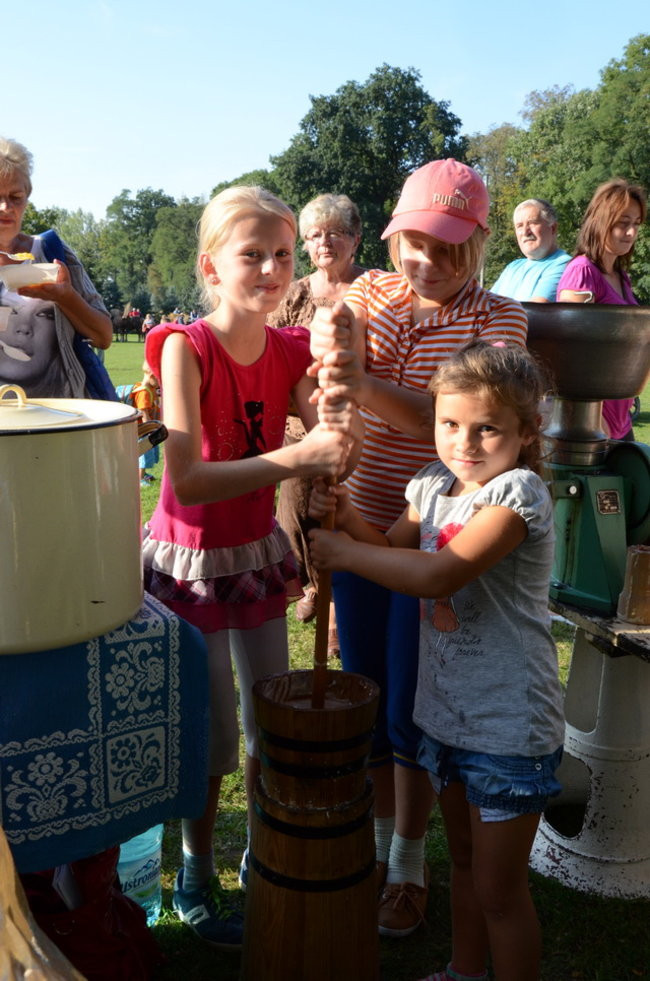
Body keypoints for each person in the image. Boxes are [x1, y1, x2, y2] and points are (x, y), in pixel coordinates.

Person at [308, 158, 528, 938]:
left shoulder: (500, 321)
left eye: (447, 249)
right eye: (414, 244)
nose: (427, 263)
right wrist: (330, 350)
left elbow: (445, 418)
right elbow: (324, 363)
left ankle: (408, 864)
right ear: (394, 236)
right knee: (369, 694)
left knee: (412, 709)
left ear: (476, 246)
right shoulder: (369, 291)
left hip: (437, 535)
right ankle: (377, 854)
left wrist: (361, 381)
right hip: (363, 520)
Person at [141, 185, 361, 950]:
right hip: (192, 560)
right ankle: (194, 872)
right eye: (252, 254)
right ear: (211, 265)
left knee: (271, 717)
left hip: (256, 555)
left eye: (281, 254)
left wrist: (337, 415)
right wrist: (298, 455)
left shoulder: (289, 347)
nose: (270, 268)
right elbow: (191, 477)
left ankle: (262, 849)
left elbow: (326, 422)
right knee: (211, 734)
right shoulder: (183, 347)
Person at [309, 340, 565, 981]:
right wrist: (346, 520)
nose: (465, 443)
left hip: (509, 728)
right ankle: (462, 971)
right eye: (450, 424)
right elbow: (391, 550)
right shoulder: (429, 484)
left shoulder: (517, 494)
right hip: (446, 716)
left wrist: (344, 554)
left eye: (488, 429)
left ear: (527, 432)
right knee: (466, 866)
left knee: (502, 894)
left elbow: (438, 575)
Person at [269, 193, 366, 655]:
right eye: (314, 235)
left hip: (360, 426)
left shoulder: (376, 288)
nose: (324, 241)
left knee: (342, 516)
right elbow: (272, 354)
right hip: (298, 428)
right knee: (294, 519)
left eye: (335, 232)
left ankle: (335, 611)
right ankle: (312, 587)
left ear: (356, 239)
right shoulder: (293, 294)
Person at [0, 137, 112, 396]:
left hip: (61, 415)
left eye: (15, 197)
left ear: (27, 198)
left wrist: (65, 297)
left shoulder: (51, 252)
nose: (6, 207)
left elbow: (103, 336)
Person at [557, 178, 647, 441]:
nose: (631, 233)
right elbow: (568, 351)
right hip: (592, 418)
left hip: (622, 415)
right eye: (623, 223)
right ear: (601, 220)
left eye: (636, 224)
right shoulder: (582, 271)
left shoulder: (622, 277)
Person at [490, 199, 570, 302]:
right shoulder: (513, 267)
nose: (525, 232)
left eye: (532, 223)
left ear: (553, 228)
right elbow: (487, 305)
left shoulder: (564, 265)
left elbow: (535, 311)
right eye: (519, 226)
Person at [129, 359, 162, 486]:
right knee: (143, 453)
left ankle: (144, 473)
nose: (160, 384)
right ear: (152, 376)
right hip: (143, 430)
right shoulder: (143, 392)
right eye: (159, 380)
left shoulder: (151, 389)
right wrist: (149, 430)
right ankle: (140, 478)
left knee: (149, 453)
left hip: (148, 428)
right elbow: (143, 413)